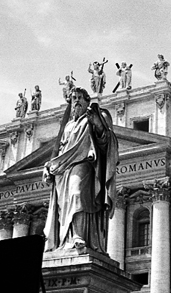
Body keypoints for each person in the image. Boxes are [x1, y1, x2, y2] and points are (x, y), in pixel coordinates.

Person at [43, 87, 118, 253]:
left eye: (79, 97)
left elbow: (106, 142)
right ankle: (65, 240)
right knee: (63, 206)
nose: (76, 100)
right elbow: (61, 150)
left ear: (87, 101)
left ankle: (78, 235)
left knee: (77, 194)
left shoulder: (93, 117)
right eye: (73, 98)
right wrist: (49, 167)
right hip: (63, 169)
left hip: (83, 163)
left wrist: (98, 124)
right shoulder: (68, 126)